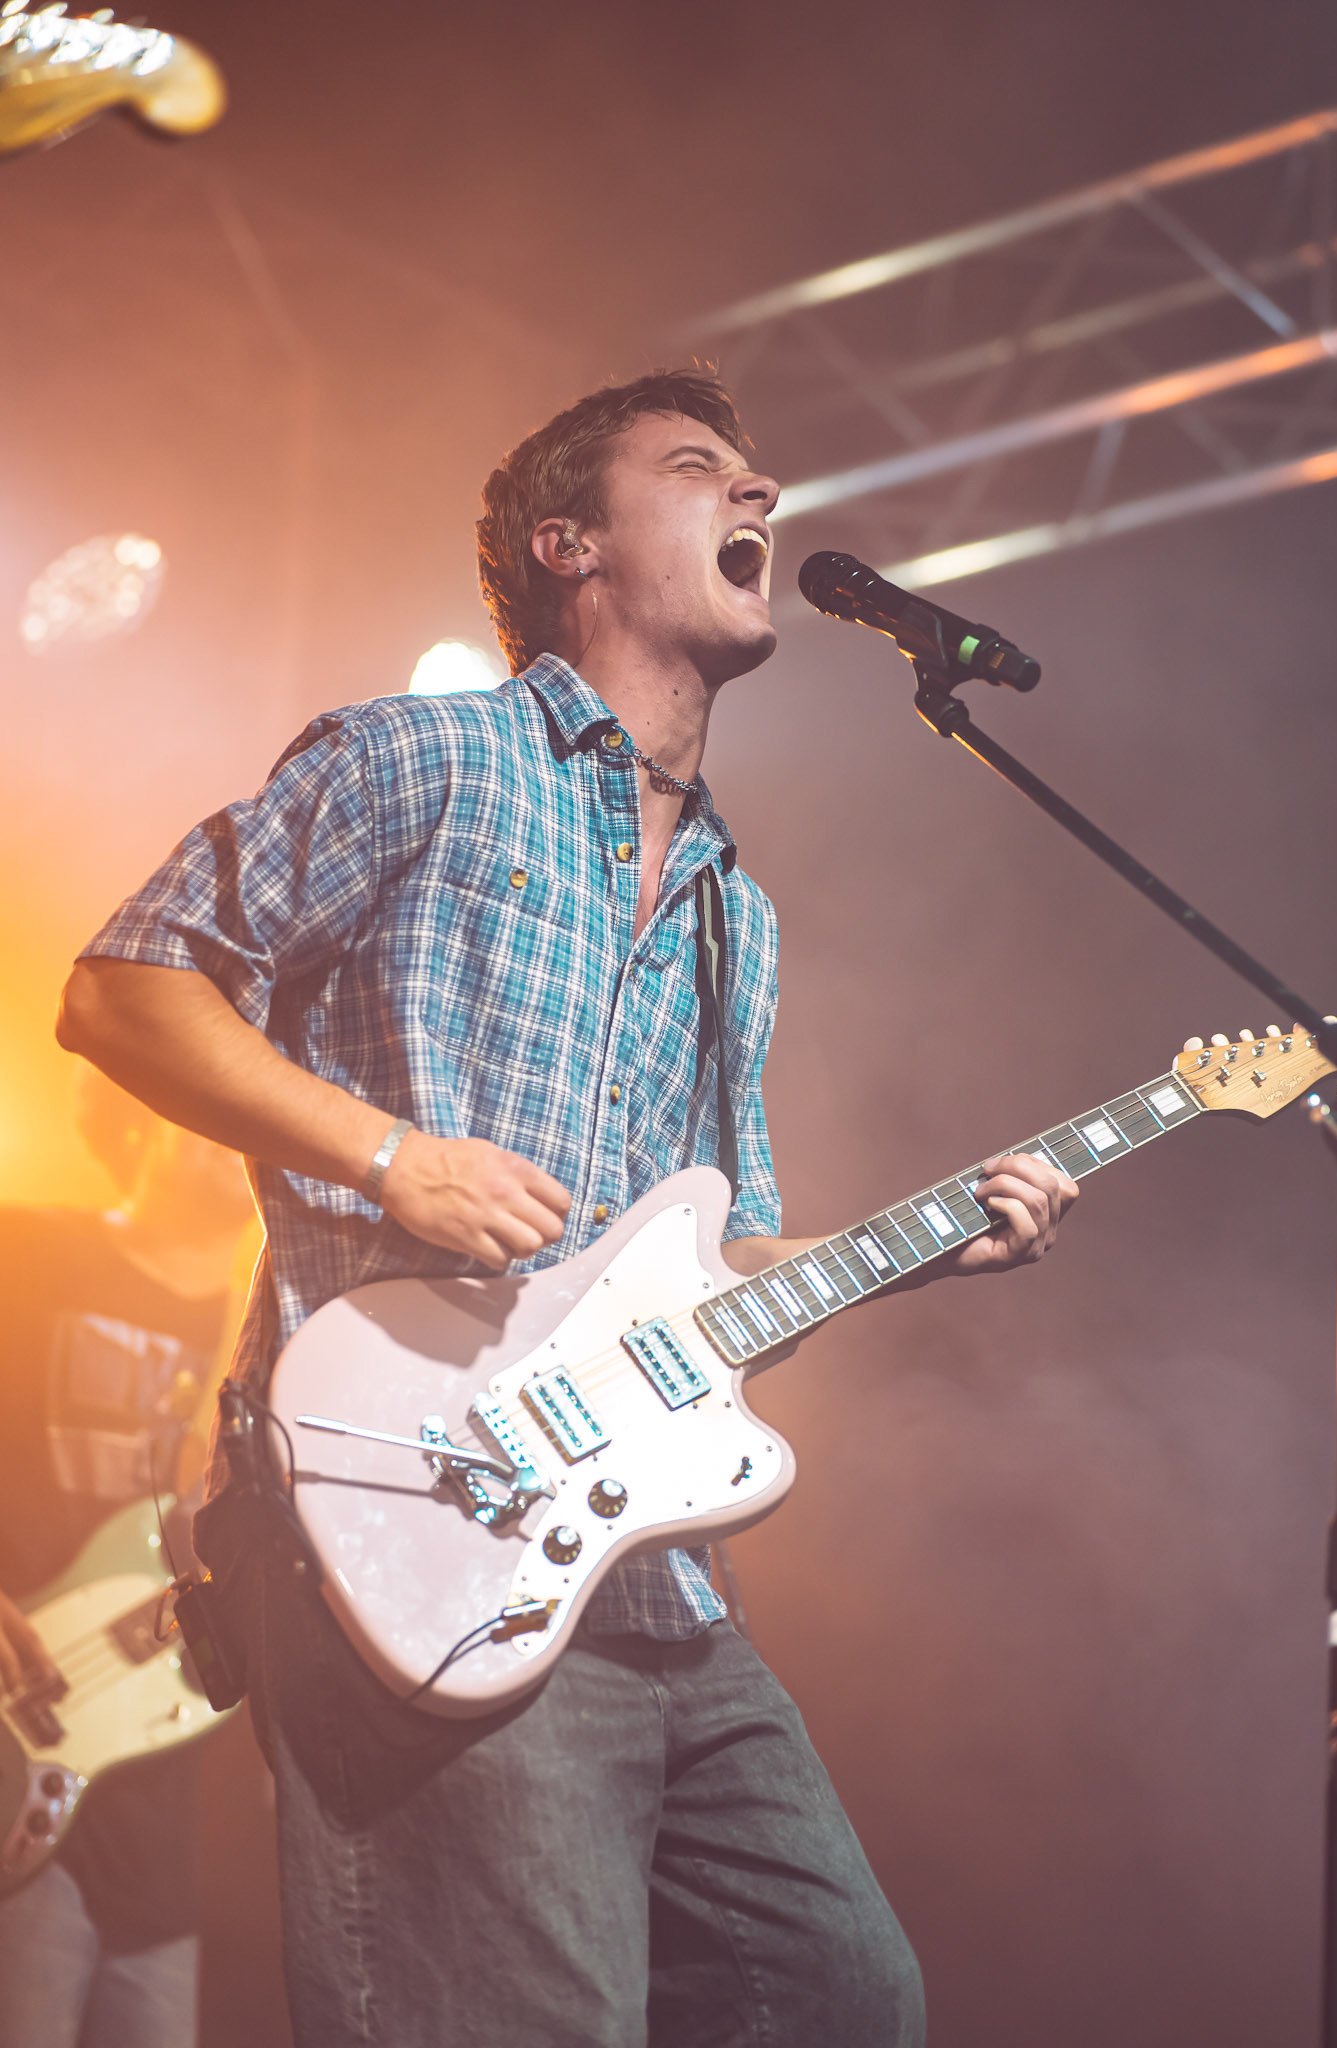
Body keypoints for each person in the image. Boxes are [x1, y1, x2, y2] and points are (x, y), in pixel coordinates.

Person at [56, 368, 1078, 2048]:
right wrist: (392, 1156)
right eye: (698, 468)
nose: (761, 492)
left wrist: (909, 1252)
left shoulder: (738, 910)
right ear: (568, 546)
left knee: (841, 1995)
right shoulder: (423, 757)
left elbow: (714, 1271)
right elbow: (122, 990)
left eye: (756, 471)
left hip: (651, 1578)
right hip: (415, 1530)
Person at [0, 1065, 257, 2048]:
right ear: (135, 1109)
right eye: (206, 1094)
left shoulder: (267, 1344)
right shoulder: (26, 1245)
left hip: (169, 1808)